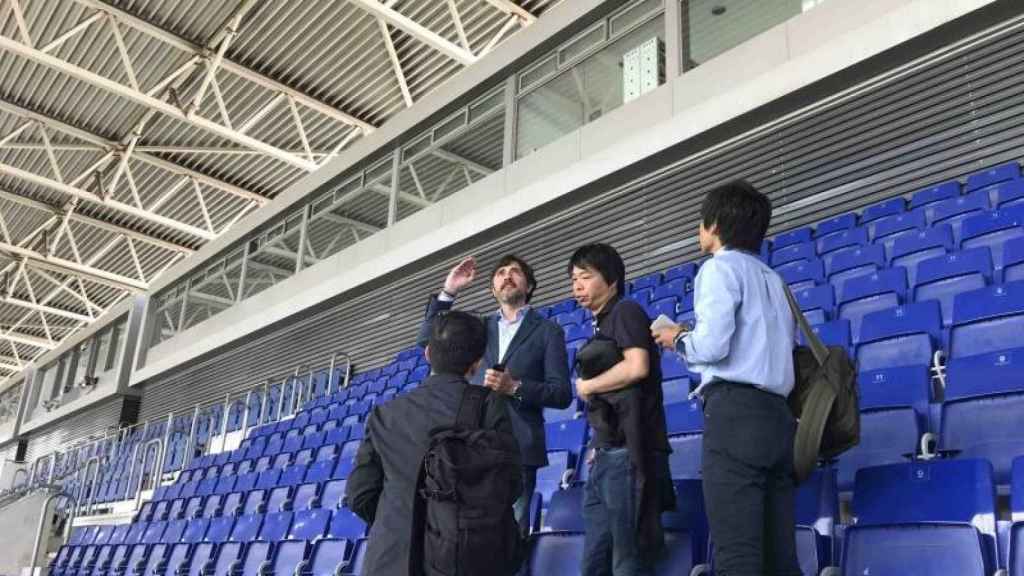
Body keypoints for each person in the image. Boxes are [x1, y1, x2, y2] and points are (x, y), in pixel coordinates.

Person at [652, 180, 800, 576]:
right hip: (779, 418)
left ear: (714, 224)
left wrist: (677, 339)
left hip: (735, 415)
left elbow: (714, 347)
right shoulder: (774, 279)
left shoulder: (718, 268)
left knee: (738, 554)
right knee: (781, 557)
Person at [347, 310, 522, 576]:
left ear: (428, 353)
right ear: (477, 363)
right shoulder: (487, 404)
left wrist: (401, 522)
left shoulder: (384, 414)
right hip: (460, 559)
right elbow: (511, 485)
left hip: (389, 559)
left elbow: (359, 495)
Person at [415, 255, 572, 536]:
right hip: (470, 445)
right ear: (492, 289)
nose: (507, 275)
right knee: (466, 536)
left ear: (530, 285)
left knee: (510, 538)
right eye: (500, 273)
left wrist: (515, 387)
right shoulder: (478, 328)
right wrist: (449, 291)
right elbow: (429, 340)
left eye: (515, 272)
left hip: (519, 450)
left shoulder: (549, 331)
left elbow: (561, 394)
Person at [569, 243, 674, 576]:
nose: (577, 286)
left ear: (612, 280)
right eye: (574, 280)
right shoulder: (601, 324)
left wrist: (588, 386)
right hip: (606, 453)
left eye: (586, 277)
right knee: (595, 561)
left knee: (627, 561)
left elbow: (637, 366)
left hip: (629, 455)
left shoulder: (625, 311)